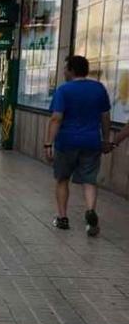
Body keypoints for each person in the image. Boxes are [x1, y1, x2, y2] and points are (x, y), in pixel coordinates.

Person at [45, 55, 113, 236]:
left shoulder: (64, 90)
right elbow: (105, 117)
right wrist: (105, 139)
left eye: (65, 68)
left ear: (72, 70)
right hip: (92, 141)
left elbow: (56, 118)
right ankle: (90, 212)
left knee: (62, 179)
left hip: (66, 142)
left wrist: (48, 142)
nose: (64, 71)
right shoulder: (99, 89)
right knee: (89, 180)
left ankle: (62, 218)